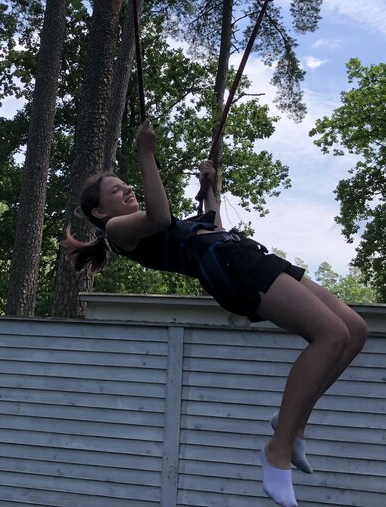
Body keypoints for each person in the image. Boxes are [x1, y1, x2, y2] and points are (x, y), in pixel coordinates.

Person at [64, 119, 367, 507]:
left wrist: (211, 191)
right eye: (115, 190)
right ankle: (277, 449)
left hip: (243, 254)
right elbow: (160, 217)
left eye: (125, 184)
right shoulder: (120, 232)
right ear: (100, 211)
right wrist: (145, 153)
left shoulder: (154, 227)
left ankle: (292, 426)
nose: (126, 189)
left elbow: (214, 228)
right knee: (331, 336)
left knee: (355, 330)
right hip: (234, 271)